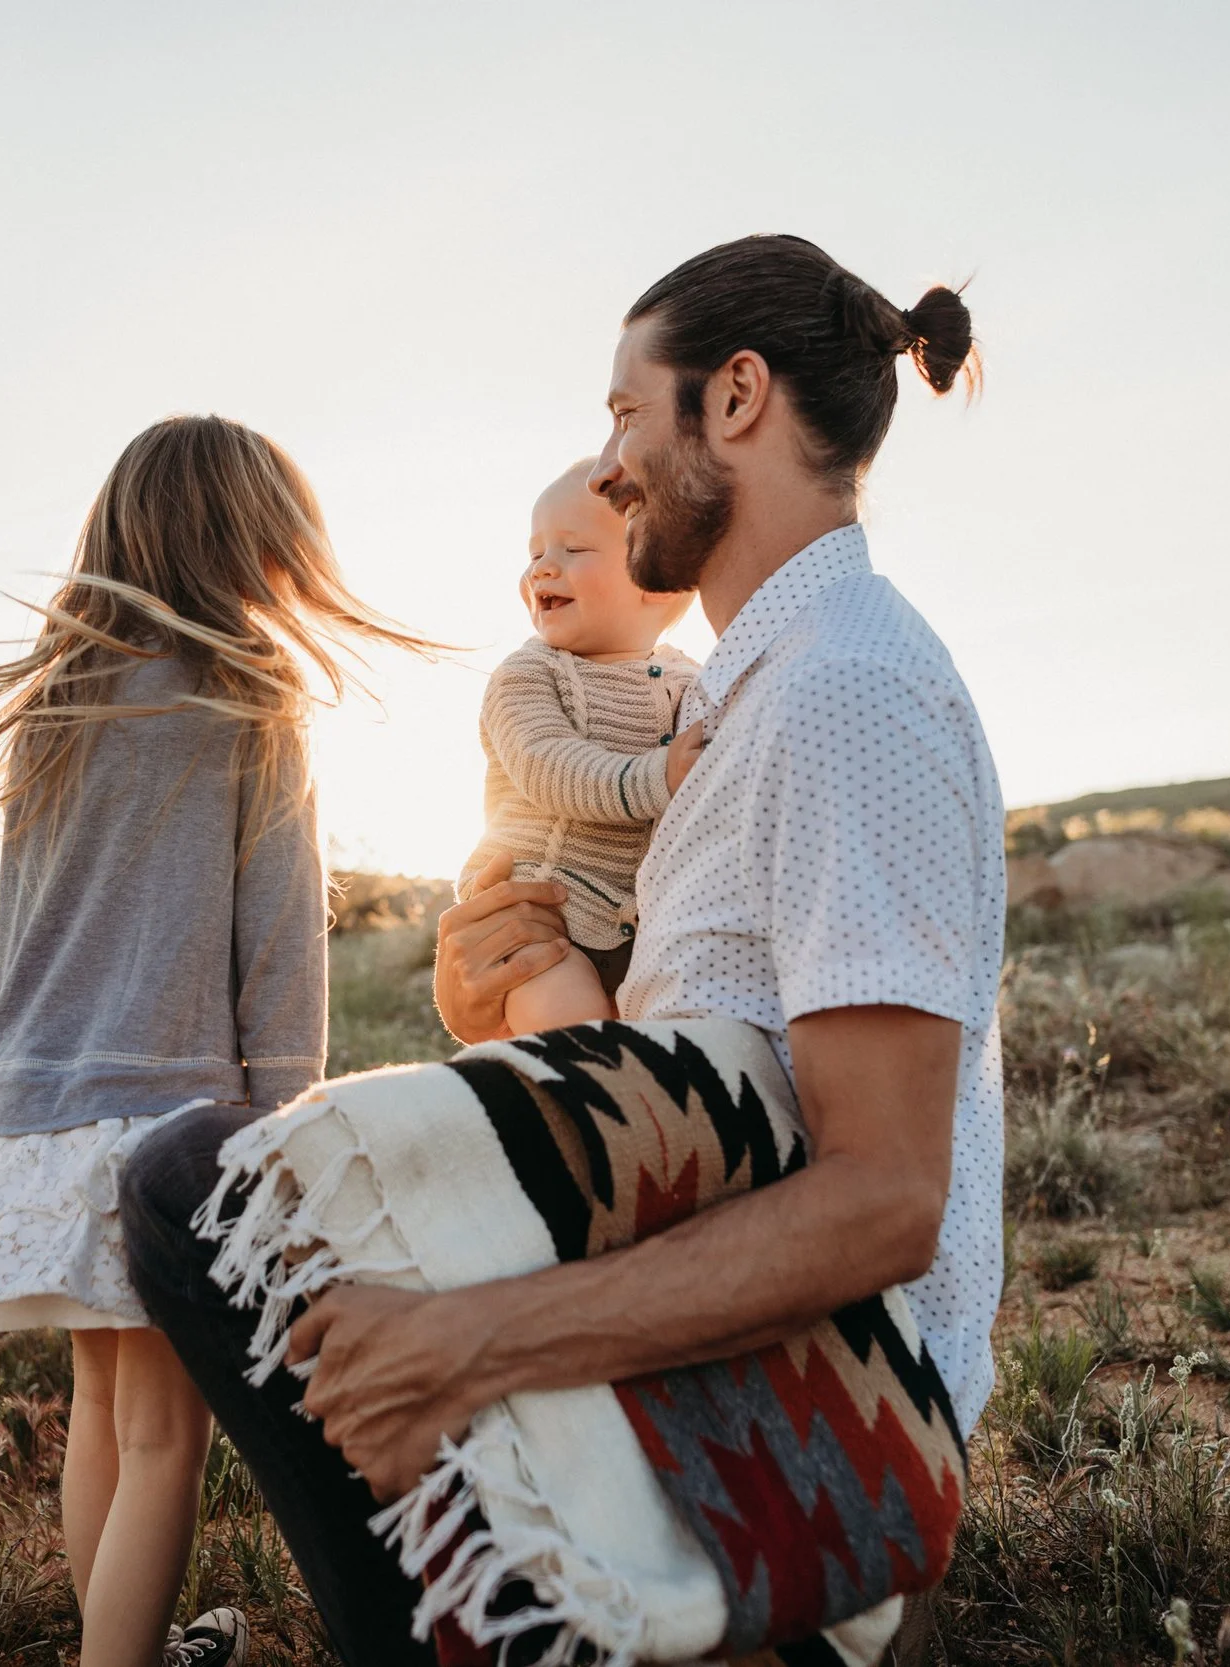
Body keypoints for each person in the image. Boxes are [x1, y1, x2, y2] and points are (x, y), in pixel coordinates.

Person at [121, 233, 1001, 1666]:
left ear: (735, 398)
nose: (607, 467)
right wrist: (505, 1010)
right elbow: (709, 1062)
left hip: (815, 1426)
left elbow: (887, 1196)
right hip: (721, 1310)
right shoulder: (750, 694)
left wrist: (472, 1338)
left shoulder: (844, 690)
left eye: (623, 414)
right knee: (230, 1193)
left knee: (193, 1189)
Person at [0, 416, 436, 1667]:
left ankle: (133, 1644)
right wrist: (285, 1133)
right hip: (173, 1121)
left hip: (42, 1111)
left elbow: (26, 927)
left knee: (104, 1413)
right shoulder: (248, 696)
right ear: (249, 540)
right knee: (170, 1433)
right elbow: (280, 947)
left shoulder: (56, 705)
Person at [456, 459, 702, 1033]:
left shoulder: (692, 682)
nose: (542, 567)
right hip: (542, 919)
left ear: (659, 583)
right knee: (572, 1031)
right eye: (535, 552)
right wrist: (659, 776)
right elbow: (547, 766)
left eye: (573, 549)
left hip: (643, 928)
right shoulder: (525, 675)